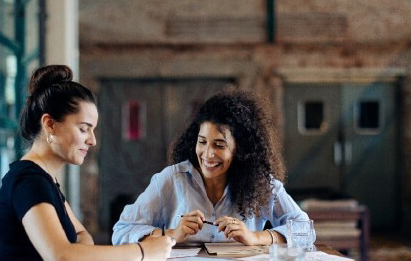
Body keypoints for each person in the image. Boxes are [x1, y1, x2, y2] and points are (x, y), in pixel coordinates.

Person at [0, 65, 174, 261]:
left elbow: (82, 237)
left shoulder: (46, 179)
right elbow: (64, 260)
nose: (92, 140)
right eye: (84, 129)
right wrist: (142, 251)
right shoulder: (29, 179)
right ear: (50, 124)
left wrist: (75, 254)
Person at [112, 89, 312, 246]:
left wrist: (255, 237)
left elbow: (306, 231)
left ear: (240, 149)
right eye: (202, 142)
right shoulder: (171, 179)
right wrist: (173, 234)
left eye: (219, 145)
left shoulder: (261, 184)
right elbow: (121, 232)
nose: (207, 154)